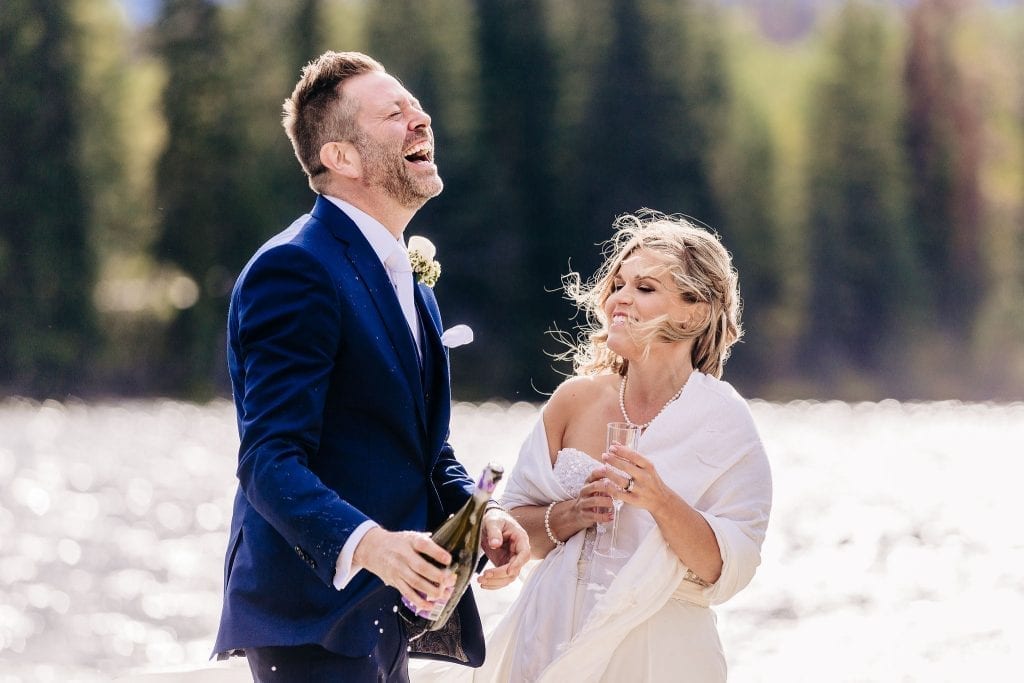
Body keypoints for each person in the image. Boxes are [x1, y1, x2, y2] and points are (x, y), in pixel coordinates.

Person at [212, 51, 530, 682]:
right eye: (394, 114)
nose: (421, 119)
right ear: (343, 158)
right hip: (311, 618)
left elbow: (420, 447)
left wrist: (479, 512)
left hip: (383, 614)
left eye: (415, 106)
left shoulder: (407, 278)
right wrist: (372, 546)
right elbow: (269, 460)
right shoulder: (296, 269)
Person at [476, 210, 773, 682]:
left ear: (694, 311)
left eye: (646, 288)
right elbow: (513, 527)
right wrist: (571, 513)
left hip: (656, 653)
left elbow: (725, 570)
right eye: (619, 284)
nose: (620, 299)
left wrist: (659, 500)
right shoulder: (575, 399)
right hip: (550, 635)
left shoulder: (725, 422)